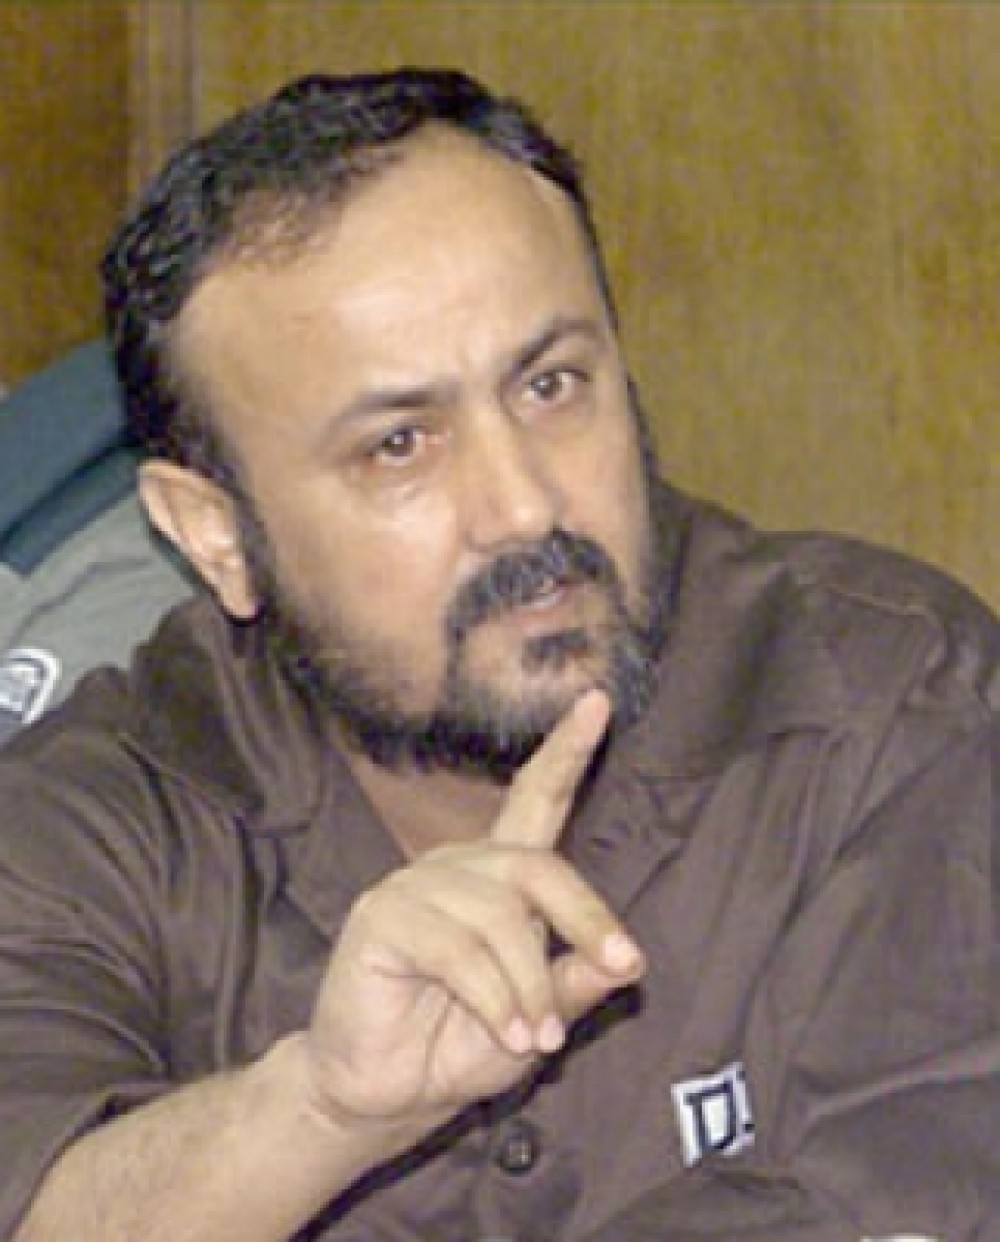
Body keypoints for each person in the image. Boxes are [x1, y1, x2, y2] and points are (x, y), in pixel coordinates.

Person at [0, 67, 996, 1242]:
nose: (524, 505)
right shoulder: (90, 819)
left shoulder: (889, 699)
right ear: (214, 534)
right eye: (399, 444)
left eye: (550, 385)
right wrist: (316, 1110)